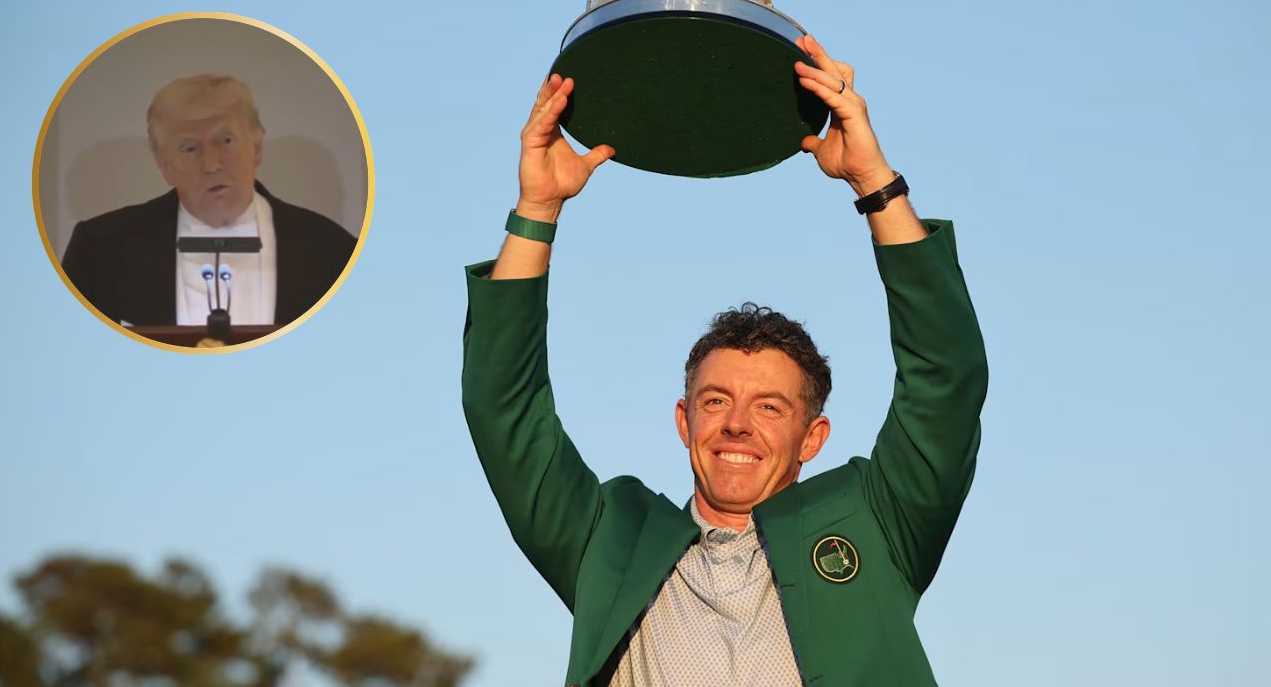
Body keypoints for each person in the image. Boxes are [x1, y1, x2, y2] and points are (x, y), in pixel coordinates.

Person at [462, 34, 988, 686]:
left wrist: (874, 183)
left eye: (770, 407)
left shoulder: (878, 523)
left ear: (813, 437)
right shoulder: (611, 538)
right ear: (684, 421)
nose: (737, 425)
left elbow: (946, 379)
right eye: (716, 401)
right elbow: (503, 409)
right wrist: (537, 210)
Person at [60, 74, 357, 328]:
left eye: (225, 141)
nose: (212, 164)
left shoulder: (334, 253)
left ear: (256, 148)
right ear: (164, 166)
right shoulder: (100, 251)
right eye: (190, 148)